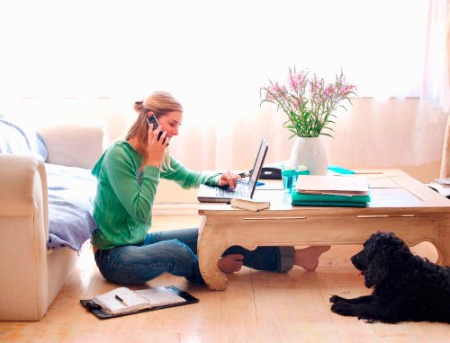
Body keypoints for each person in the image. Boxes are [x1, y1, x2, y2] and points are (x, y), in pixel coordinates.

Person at [90, 91, 330, 286]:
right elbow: (140, 213)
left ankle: (298, 257)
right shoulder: (119, 155)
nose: (176, 131)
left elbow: (187, 176)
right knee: (176, 251)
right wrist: (153, 163)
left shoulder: (155, 151)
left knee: (222, 234)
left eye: (178, 125)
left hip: (141, 240)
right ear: (150, 118)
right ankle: (210, 270)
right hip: (115, 256)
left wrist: (219, 178)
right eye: (172, 124)